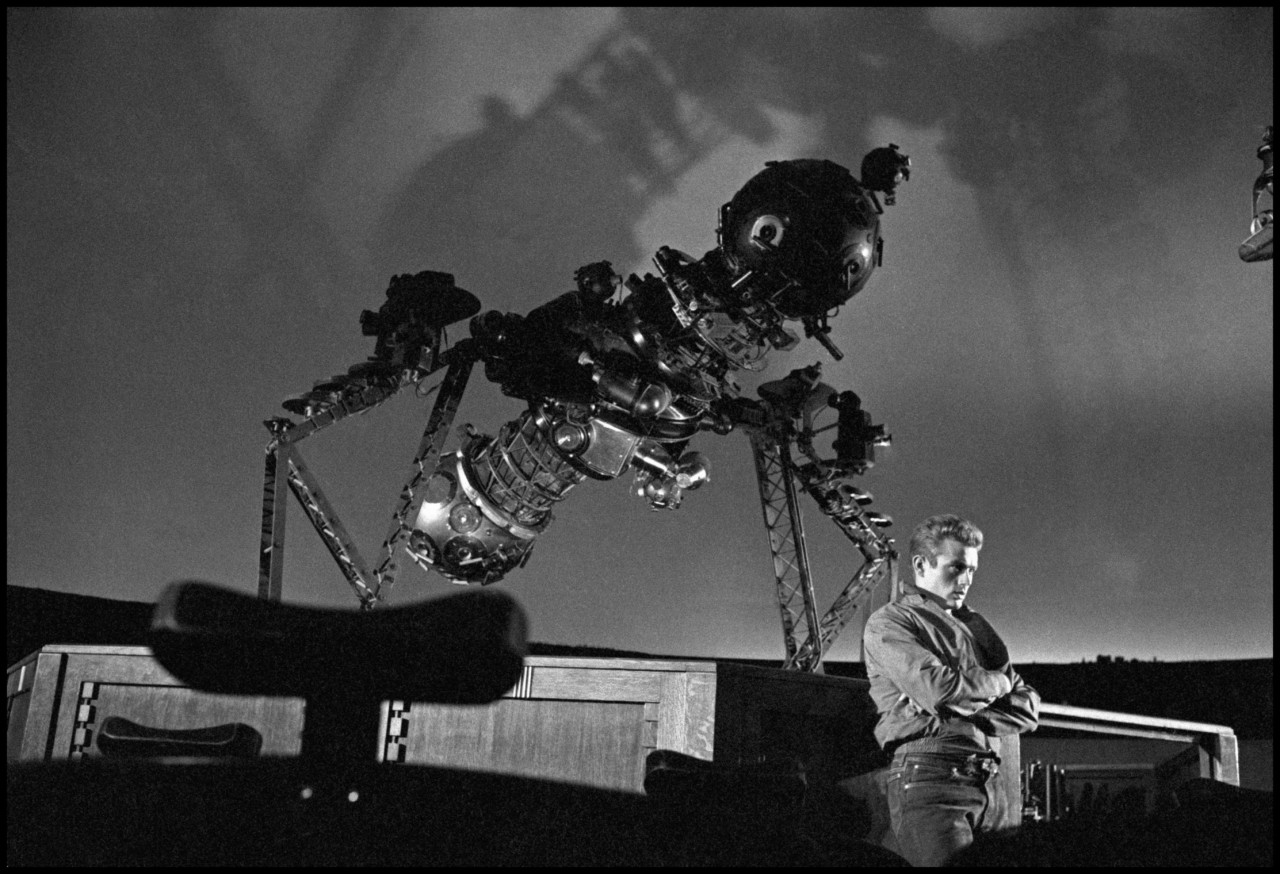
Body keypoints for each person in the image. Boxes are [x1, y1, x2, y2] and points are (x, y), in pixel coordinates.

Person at [862, 514, 1039, 866]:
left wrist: (964, 703)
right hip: (932, 779)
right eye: (956, 568)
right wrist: (1000, 685)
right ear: (921, 565)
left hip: (993, 785)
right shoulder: (891, 622)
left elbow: (1028, 708)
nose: (966, 580)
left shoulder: (976, 628)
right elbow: (940, 690)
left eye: (971, 570)